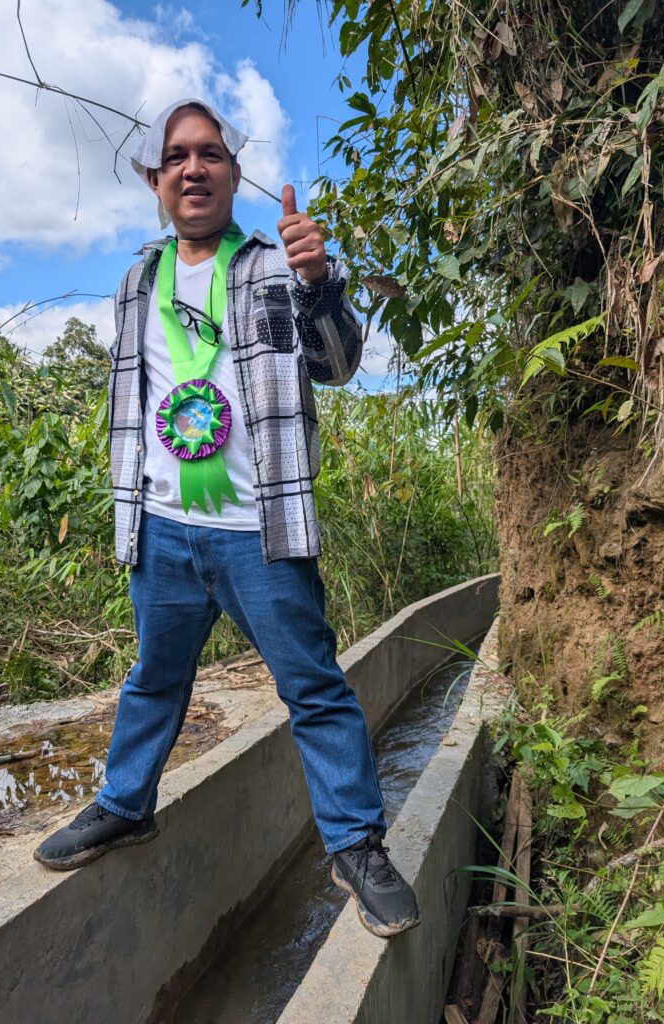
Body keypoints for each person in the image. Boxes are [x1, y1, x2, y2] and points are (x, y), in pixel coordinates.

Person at [33, 98, 420, 939]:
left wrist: (320, 283)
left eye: (209, 153)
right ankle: (125, 805)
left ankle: (355, 846)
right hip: (163, 528)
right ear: (156, 180)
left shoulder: (278, 266)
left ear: (234, 174)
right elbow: (135, 399)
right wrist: (129, 510)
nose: (193, 168)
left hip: (259, 530)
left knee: (312, 688)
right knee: (151, 682)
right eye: (176, 157)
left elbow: (340, 364)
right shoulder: (138, 280)